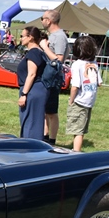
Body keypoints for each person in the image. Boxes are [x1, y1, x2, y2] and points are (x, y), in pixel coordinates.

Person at [66, 35, 102, 152]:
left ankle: (76, 152)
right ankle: (76, 149)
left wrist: (71, 100)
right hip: (89, 100)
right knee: (81, 128)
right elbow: (99, 82)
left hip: (79, 100)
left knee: (78, 130)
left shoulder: (77, 64)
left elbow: (75, 86)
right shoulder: (94, 63)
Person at [39, 9, 67, 145]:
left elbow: (59, 59)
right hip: (47, 76)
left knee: (51, 111)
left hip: (53, 78)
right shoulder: (52, 36)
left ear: (49, 21)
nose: (41, 21)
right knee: (45, 110)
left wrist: (44, 47)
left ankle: (52, 140)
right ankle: (44, 137)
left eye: (42, 18)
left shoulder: (60, 36)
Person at [16, 26, 48, 141]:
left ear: (30, 37)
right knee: (31, 122)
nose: (21, 38)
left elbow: (32, 74)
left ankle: (30, 147)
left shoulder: (34, 53)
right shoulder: (38, 52)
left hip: (32, 91)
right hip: (36, 90)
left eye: (22, 36)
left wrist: (24, 94)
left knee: (31, 124)